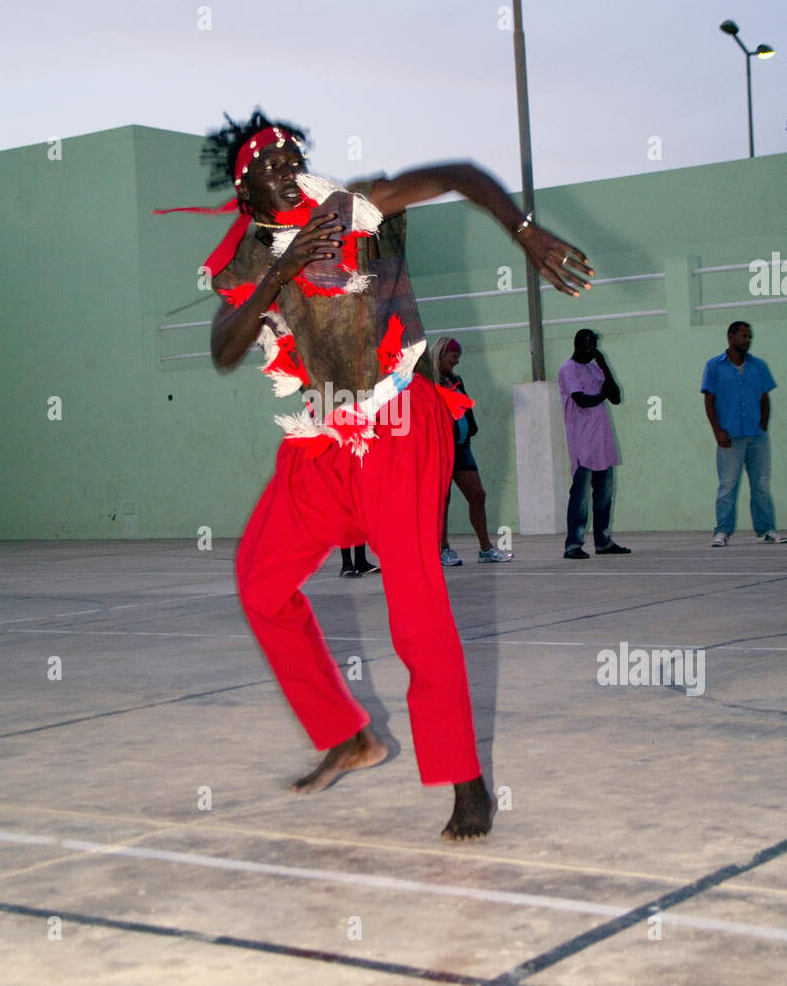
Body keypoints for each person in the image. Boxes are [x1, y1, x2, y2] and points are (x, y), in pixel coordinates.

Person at [171, 110, 591, 839]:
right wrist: (283, 266)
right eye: (269, 168)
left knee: (414, 610)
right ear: (245, 194)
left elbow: (457, 174)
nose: (288, 170)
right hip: (321, 439)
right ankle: (348, 734)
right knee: (260, 582)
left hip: (398, 424)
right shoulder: (248, 259)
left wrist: (524, 231)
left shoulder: (351, 206)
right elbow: (223, 349)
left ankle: (466, 784)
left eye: (293, 157)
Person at [701, 320, 786, 546]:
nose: (748, 340)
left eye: (749, 336)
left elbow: (764, 398)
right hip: (729, 436)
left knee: (761, 484)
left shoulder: (759, 366)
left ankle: (766, 529)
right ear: (730, 337)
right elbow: (709, 400)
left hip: (757, 436)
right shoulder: (714, 366)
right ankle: (722, 532)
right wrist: (717, 431)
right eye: (744, 336)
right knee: (728, 485)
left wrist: (764, 426)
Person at [429, 336, 512, 565]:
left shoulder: (456, 380)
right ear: (442, 353)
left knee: (477, 495)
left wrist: (470, 429)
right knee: (442, 500)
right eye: (453, 356)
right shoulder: (428, 382)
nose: (456, 362)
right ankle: (442, 548)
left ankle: (486, 549)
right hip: (440, 449)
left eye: (458, 357)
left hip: (462, 447)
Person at [558, 329, 630, 559]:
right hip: (582, 443)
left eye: (594, 346)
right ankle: (573, 545)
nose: (591, 350)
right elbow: (582, 400)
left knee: (604, 495)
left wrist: (603, 364)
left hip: (603, 443)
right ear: (577, 344)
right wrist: (603, 395)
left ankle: (603, 541)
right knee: (580, 496)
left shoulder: (595, 366)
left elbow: (616, 397)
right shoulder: (567, 369)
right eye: (588, 346)